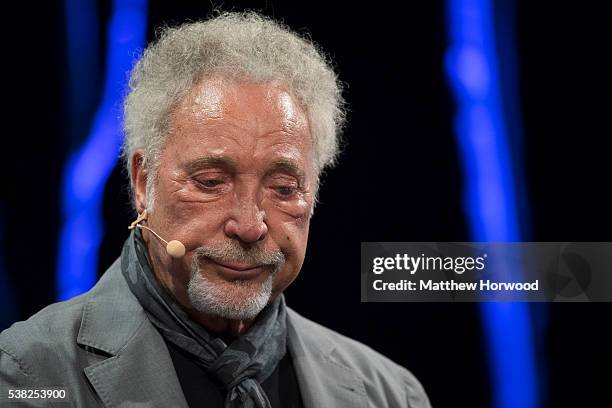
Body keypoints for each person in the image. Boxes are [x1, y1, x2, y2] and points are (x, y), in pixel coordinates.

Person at [0, 12, 430, 408]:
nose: (248, 225)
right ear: (142, 182)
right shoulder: (27, 376)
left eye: (283, 188)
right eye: (210, 183)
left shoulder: (390, 393)